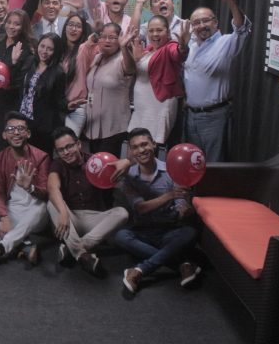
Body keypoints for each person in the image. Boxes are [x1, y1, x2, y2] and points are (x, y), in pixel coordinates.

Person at [115, 128, 201, 294]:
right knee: (121, 236)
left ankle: (140, 270)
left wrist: (184, 209)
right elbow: (140, 208)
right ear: (131, 151)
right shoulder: (128, 176)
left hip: (169, 231)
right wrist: (169, 195)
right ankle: (181, 264)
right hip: (143, 232)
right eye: (135, 147)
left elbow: (180, 202)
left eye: (144, 144)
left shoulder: (173, 169)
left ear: (154, 144)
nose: (141, 150)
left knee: (190, 232)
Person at [0, 112, 50, 270]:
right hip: (11, 213)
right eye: (11, 129)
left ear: (28, 133)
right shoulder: (0, 158)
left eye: (20, 129)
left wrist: (30, 187)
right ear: (4, 135)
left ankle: (0, 248)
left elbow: (45, 193)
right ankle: (22, 245)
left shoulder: (42, 157)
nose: (16, 133)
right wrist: (4, 216)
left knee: (42, 207)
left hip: (34, 216)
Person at [183, 0, 251, 162]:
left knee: (215, 166)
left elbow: (241, 28)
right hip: (191, 116)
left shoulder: (226, 43)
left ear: (216, 22)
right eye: (196, 22)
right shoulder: (190, 46)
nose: (201, 25)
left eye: (206, 20)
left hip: (215, 117)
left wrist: (231, 2)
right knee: (194, 164)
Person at [46, 127, 129, 276]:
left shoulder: (96, 161)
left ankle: (73, 248)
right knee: (52, 203)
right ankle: (82, 255)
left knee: (122, 213)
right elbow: (52, 187)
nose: (66, 152)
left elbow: (119, 170)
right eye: (61, 150)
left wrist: (127, 162)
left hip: (94, 220)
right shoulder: (57, 164)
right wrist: (63, 212)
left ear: (78, 144)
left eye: (69, 146)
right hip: (70, 220)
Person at [127, 15, 191, 146]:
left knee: (156, 145)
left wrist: (183, 47)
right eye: (151, 30)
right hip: (141, 107)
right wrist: (136, 60)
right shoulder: (147, 50)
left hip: (160, 105)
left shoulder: (170, 46)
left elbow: (178, 54)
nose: (155, 34)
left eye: (159, 30)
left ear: (168, 32)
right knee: (137, 143)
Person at [83, 23, 138, 157]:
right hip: (91, 125)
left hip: (114, 128)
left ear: (120, 39)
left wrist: (124, 48)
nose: (107, 40)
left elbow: (131, 68)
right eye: (104, 36)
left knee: (108, 167)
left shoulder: (123, 59)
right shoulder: (97, 58)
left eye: (112, 37)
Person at [0, 9, 34, 150]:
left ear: (23, 27)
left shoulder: (28, 48)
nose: (11, 27)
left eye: (17, 24)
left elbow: (18, 82)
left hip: (12, 101)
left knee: (10, 138)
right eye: (9, 22)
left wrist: (13, 63)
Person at [19, 33, 67, 154]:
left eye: (50, 49)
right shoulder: (30, 61)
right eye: (42, 46)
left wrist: (69, 106)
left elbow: (59, 101)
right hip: (24, 121)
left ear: (56, 52)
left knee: (41, 158)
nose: (44, 51)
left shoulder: (58, 72)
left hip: (43, 126)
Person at [59, 12, 97, 137]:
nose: (73, 29)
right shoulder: (59, 51)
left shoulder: (84, 50)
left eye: (78, 26)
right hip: (58, 107)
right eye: (70, 24)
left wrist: (97, 31)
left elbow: (92, 43)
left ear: (83, 30)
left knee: (69, 143)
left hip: (76, 108)